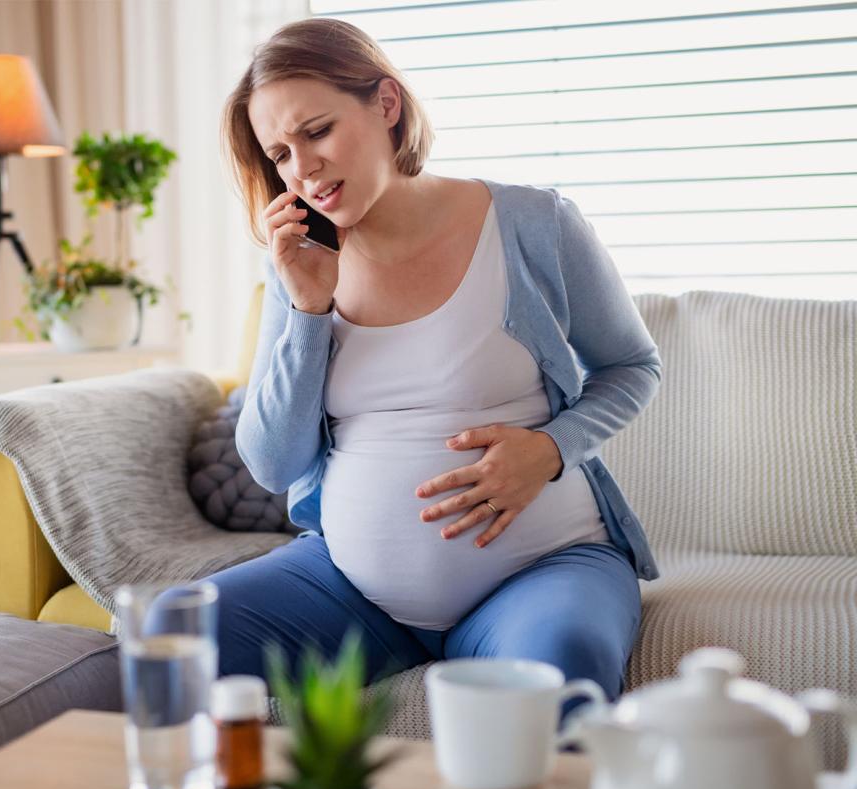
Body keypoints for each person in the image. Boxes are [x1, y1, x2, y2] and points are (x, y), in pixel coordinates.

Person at [191, 17, 663, 703]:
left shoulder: (534, 223)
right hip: (350, 589)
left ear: (386, 105)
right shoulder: (299, 270)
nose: (304, 168)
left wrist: (552, 448)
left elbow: (633, 367)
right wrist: (306, 310)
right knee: (175, 635)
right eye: (281, 154)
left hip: (543, 567)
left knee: (563, 665)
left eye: (317, 131)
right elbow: (272, 464)